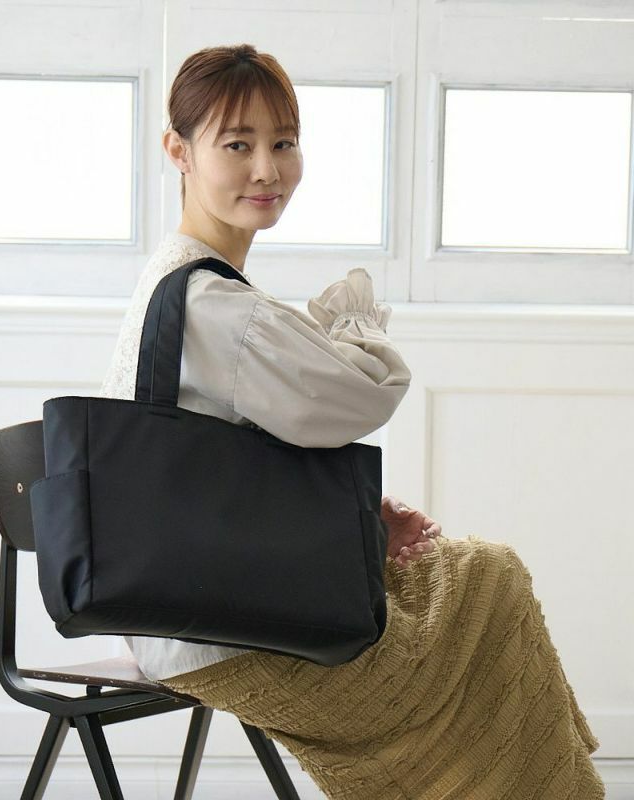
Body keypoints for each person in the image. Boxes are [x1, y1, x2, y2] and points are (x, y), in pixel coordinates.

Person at [100, 43, 604, 799]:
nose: (267, 169)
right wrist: (354, 328)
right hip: (221, 630)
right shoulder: (213, 305)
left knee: (479, 578)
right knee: (489, 577)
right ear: (179, 151)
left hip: (185, 608)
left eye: (284, 143)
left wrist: (358, 523)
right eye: (237, 145)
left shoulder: (176, 283)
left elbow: (227, 466)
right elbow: (363, 394)